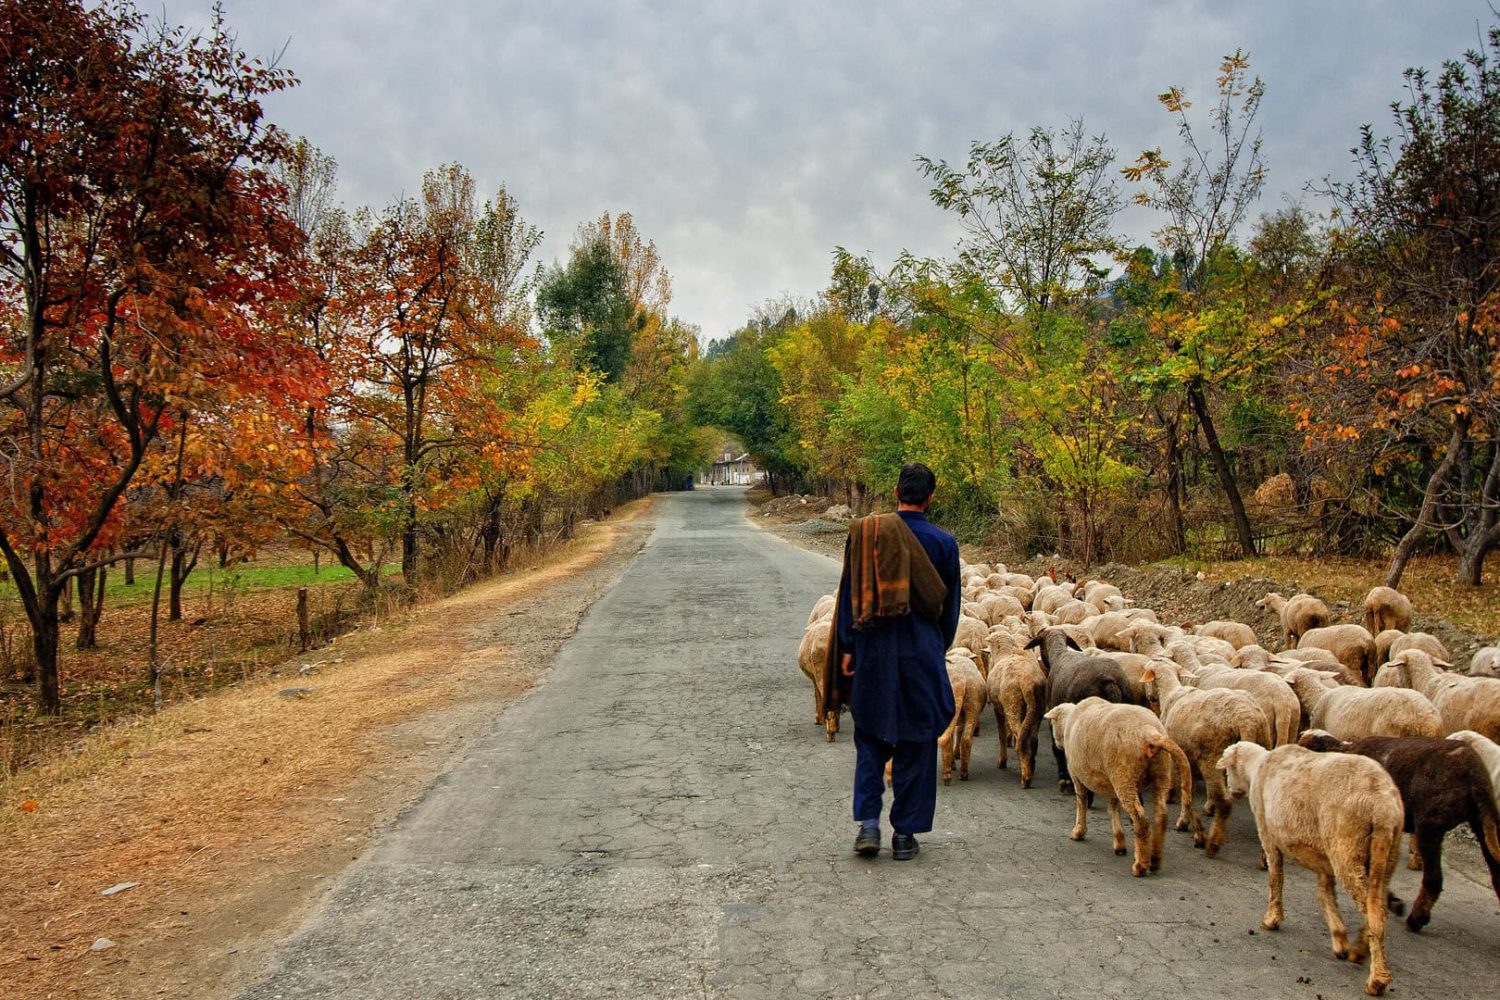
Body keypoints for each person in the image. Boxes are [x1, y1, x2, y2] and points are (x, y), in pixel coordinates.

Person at [830, 462, 961, 860]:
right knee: (918, 740)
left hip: (874, 649)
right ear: (931, 497)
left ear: (895, 491)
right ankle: (905, 835)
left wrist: (848, 646)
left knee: (871, 734)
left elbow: (852, 594)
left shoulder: (869, 534)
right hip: (921, 652)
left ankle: (868, 826)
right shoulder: (943, 543)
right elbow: (950, 607)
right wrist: (938, 649)